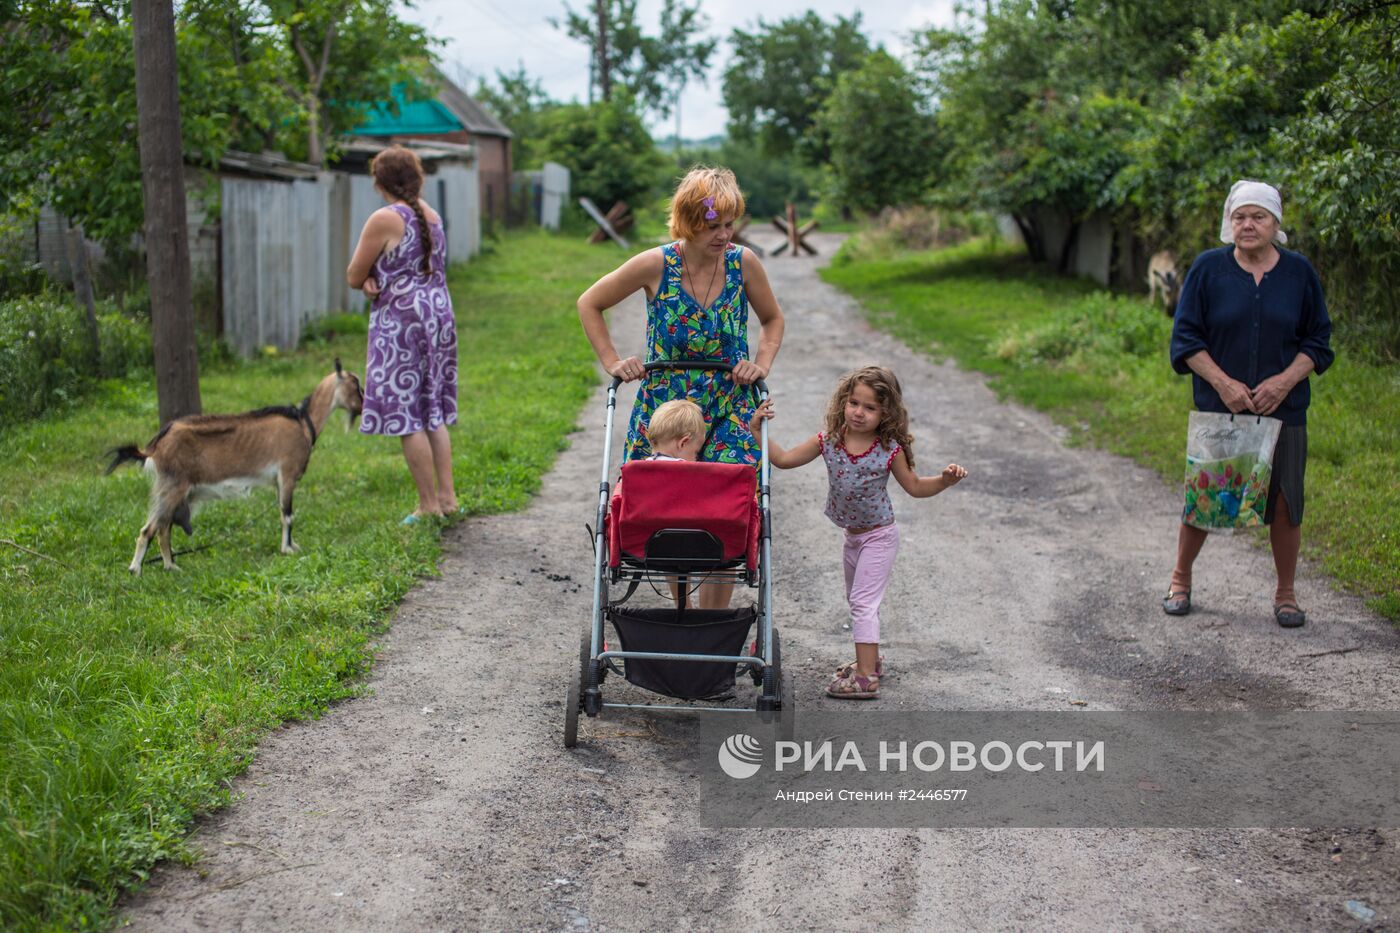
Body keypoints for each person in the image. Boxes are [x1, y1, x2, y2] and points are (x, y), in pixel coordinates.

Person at [578, 166, 785, 609]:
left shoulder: (743, 263)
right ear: (688, 222)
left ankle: (712, 623)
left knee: (727, 508)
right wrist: (613, 361)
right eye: (713, 226)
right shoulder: (657, 263)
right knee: (668, 509)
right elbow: (589, 302)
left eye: (730, 224)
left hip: (729, 406)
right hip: (668, 410)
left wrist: (760, 364)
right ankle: (681, 613)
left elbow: (772, 320)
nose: (724, 235)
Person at [1165, 180, 1334, 627]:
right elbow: (1185, 340)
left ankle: (1286, 595)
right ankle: (1180, 579)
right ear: (1229, 222)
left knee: (1284, 502)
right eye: (1240, 216)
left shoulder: (1299, 274)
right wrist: (1223, 383)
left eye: (1258, 216)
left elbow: (1319, 339)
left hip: (1285, 411)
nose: (1248, 224)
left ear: (1276, 222)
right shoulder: (1207, 270)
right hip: (1222, 410)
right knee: (1206, 499)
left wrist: (1283, 382)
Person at [748, 366, 968, 699]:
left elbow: (916, 487)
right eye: (854, 403)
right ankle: (871, 661)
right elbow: (783, 459)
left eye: (870, 408)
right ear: (843, 402)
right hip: (852, 537)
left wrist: (944, 480)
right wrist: (756, 429)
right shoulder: (830, 441)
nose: (859, 413)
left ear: (886, 413)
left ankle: (866, 678)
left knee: (863, 604)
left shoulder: (888, 449)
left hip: (880, 537)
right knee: (857, 601)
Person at [346, 145, 460, 524]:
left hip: (402, 320)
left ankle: (427, 506)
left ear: (380, 182)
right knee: (432, 408)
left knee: (408, 414)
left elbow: (352, 274)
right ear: (417, 177)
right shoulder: (433, 216)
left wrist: (366, 282)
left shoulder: (384, 218)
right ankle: (447, 499)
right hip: (439, 315)